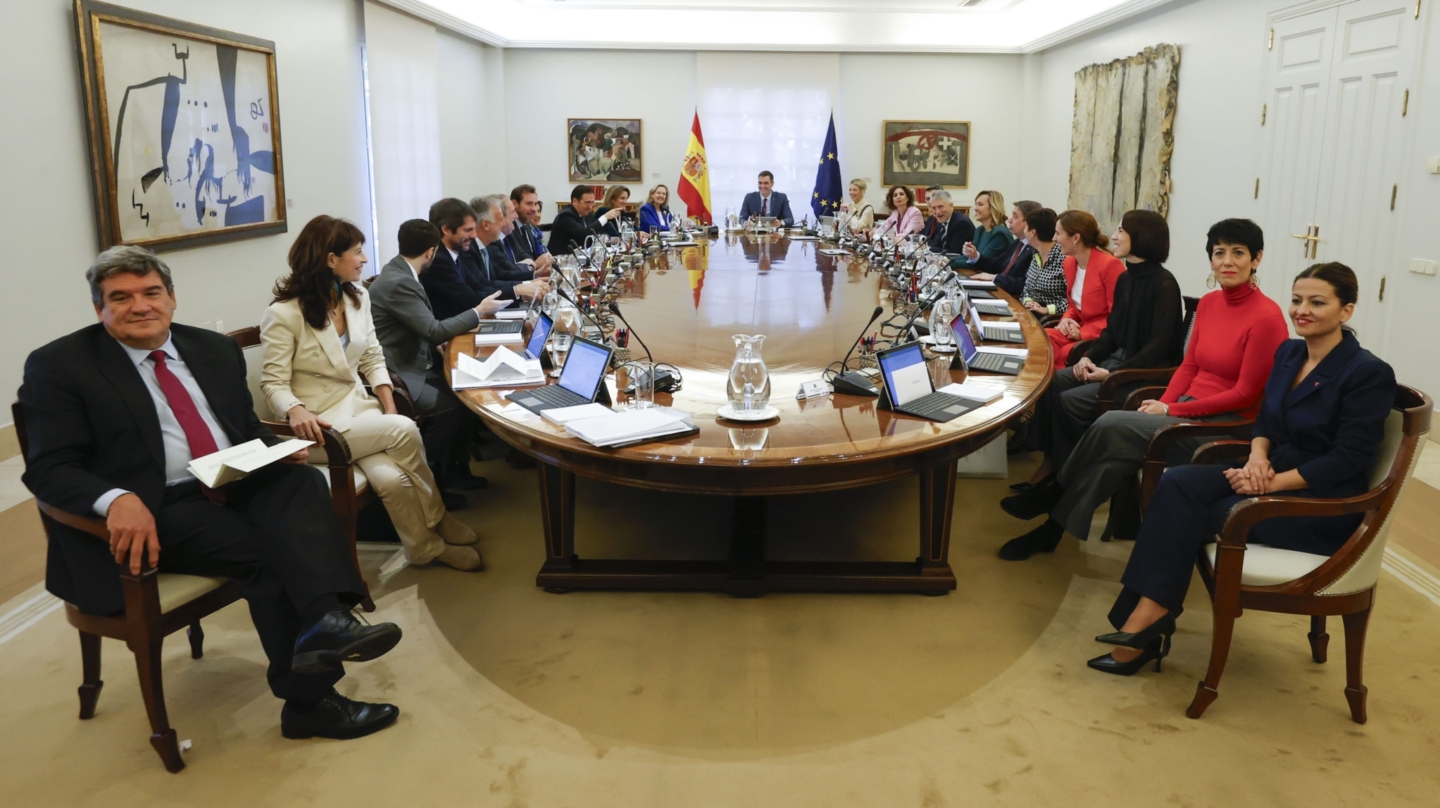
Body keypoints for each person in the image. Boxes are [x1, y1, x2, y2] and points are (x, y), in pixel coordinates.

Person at [18, 245, 403, 740]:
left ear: (172, 299)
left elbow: (242, 430)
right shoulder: (62, 366)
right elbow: (49, 468)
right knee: (271, 552)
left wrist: (274, 449)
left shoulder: (211, 350)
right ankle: (311, 697)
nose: (140, 306)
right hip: (158, 507)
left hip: (230, 478)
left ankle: (325, 620)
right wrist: (115, 498)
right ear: (100, 309)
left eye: (151, 292)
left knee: (303, 480)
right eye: (121, 297)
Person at [1090, 262, 1395, 675]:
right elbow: (1266, 420)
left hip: (1322, 502)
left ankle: (1144, 622)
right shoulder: (1290, 352)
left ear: (1347, 311)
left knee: (1194, 513)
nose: (1301, 310)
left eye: (1317, 302)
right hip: (1269, 469)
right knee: (1177, 484)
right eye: (1297, 300)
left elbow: (1348, 460)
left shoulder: (1368, 373)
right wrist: (1257, 459)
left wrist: (1266, 485)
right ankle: (1149, 617)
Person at [997, 218, 1289, 561]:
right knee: (1111, 459)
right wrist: (1163, 402)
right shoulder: (1210, 303)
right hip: (1184, 407)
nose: (1227, 261)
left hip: (1221, 425)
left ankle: (1055, 490)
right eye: (1218, 252)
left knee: (1110, 424)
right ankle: (1052, 530)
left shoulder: (1268, 317)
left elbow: (1245, 395)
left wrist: (1171, 410)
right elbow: (1189, 366)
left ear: (1257, 258)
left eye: (1238, 253)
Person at [262, 216, 483, 572]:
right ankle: (439, 518)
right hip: (318, 428)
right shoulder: (284, 314)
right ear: (330, 259)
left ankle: (425, 549)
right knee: (405, 430)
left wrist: (389, 403)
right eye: (358, 251)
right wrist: (295, 410)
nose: (364, 259)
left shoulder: (356, 297)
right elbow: (273, 382)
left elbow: (372, 356)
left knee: (390, 478)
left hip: (359, 411)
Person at [1020, 210, 1185, 487]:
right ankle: (1052, 463)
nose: (1114, 236)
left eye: (1121, 230)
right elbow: (1111, 331)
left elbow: (1156, 349)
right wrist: (1089, 357)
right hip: (1117, 362)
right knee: (1054, 380)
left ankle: (1066, 474)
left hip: (1141, 373)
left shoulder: (1164, 284)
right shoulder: (1127, 278)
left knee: (1067, 400)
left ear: (1142, 237)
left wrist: (1111, 373)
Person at [370, 219, 509, 507]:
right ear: (431, 251)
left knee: (466, 398)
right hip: (399, 371)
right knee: (453, 407)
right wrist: (478, 311)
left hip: (415, 357)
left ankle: (454, 472)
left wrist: (436, 340)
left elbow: (419, 326)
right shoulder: (400, 282)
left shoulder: (401, 271)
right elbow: (432, 328)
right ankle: (430, 483)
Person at [1044, 210, 1128, 369]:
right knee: (1040, 341)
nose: (1054, 239)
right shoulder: (1069, 263)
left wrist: (1082, 333)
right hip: (1077, 328)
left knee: (1062, 355)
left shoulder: (1110, 265)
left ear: (1076, 238)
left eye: (1057, 233)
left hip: (1099, 337)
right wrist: (1066, 320)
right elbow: (1073, 306)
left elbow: (1117, 316)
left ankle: (1051, 390)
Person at [964, 199, 1043, 294]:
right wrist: (975, 256)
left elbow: (1024, 283)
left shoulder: (1036, 249)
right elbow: (996, 264)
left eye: (1015, 217)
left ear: (1029, 222)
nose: (1009, 220)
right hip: (999, 291)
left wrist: (995, 278)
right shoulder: (1017, 243)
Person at [1017, 208, 1069, 319]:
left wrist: (1047, 310)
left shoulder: (1064, 259)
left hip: (1052, 319)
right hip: (1030, 314)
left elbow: (1074, 301)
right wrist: (1028, 301)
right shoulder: (1036, 254)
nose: (1024, 231)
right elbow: (1027, 287)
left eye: (1026, 227)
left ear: (1033, 232)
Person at [550, 185, 618, 254]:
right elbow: (583, 233)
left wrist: (604, 237)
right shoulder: (565, 216)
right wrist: (604, 217)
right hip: (562, 259)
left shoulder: (587, 213)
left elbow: (599, 231)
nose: (590, 207)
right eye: (588, 203)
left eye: (592, 203)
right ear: (575, 201)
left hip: (582, 256)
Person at [506, 184, 555, 273]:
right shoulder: (508, 229)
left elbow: (533, 256)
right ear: (514, 204)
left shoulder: (527, 226)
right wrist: (536, 264)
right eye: (529, 204)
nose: (534, 209)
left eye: (535, 204)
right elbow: (511, 267)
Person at [919, 189, 974, 256]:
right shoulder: (941, 220)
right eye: (934, 208)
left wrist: (926, 248)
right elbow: (937, 243)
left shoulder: (962, 223)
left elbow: (953, 252)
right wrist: (922, 245)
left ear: (951, 205)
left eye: (940, 207)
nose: (938, 212)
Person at [966, 190, 1015, 260]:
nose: (975, 208)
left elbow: (981, 261)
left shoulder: (1000, 233)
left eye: (980, 204)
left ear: (993, 207)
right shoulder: (980, 230)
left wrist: (947, 262)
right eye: (976, 204)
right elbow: (970, 258)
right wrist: (946, 260)